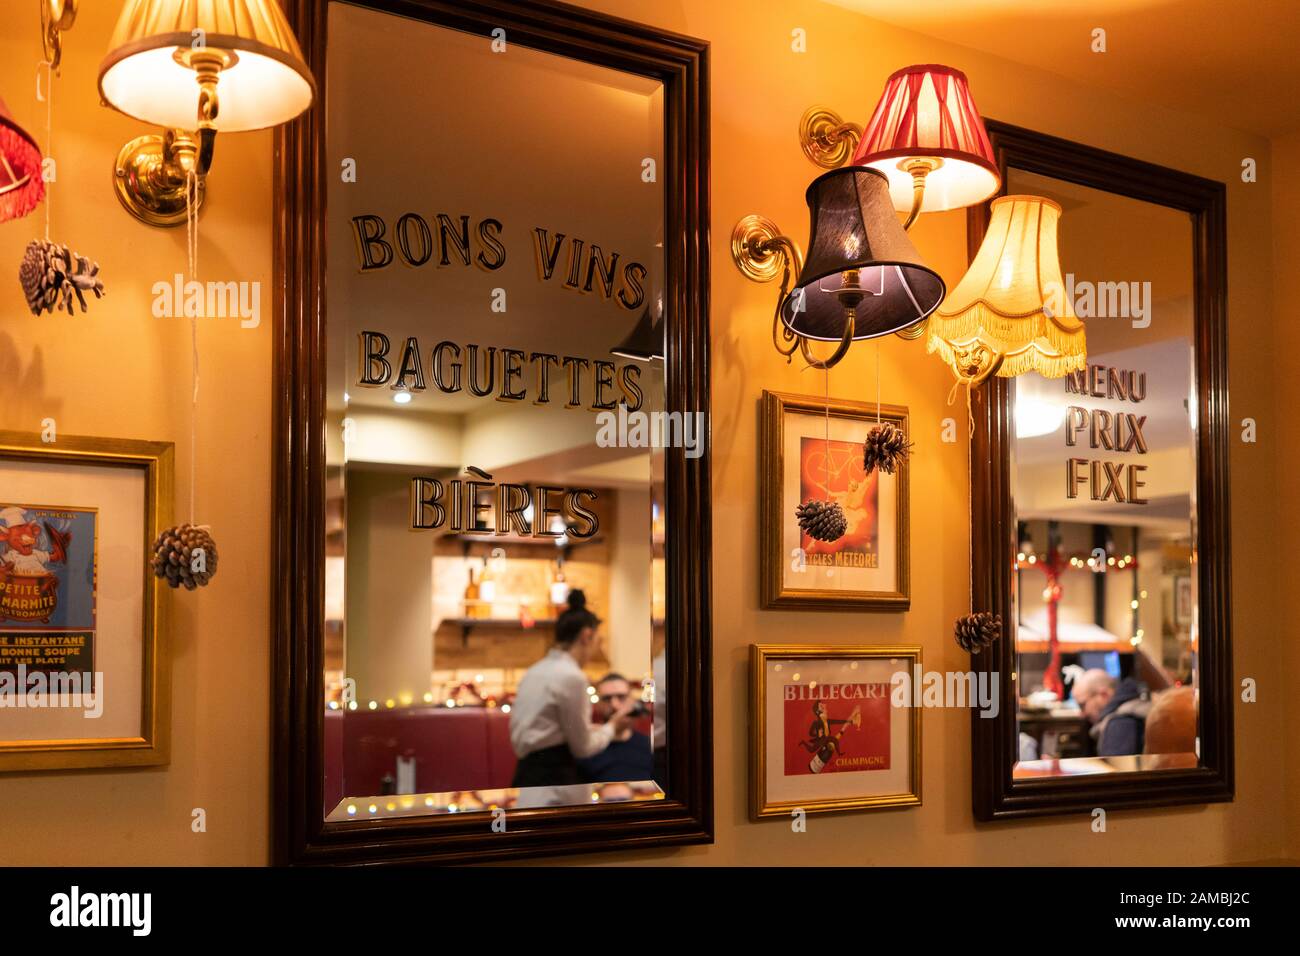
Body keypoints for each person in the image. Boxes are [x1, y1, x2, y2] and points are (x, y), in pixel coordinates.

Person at [509, 590, 635, 787]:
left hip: (524, 773)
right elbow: (583, 748)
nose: (595, 649)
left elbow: (548, 729)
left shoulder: (534, 671)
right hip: (553, 780)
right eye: (597, 641)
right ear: (586, 636)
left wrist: (594, 729)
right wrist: (612, 728)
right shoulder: (572, 677)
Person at [576, 673, 653, 783]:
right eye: (607, 699)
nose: (614, 705)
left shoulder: (648, 746)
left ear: (632, 700)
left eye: (621, 697)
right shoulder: (586, 747)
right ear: (598, 705)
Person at [1070, 668, 1152, 757]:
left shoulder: (1119, 723)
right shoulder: (1135, 704)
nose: (1082, 714)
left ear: (1104, 694)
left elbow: (1118, 770)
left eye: (1082, 705)